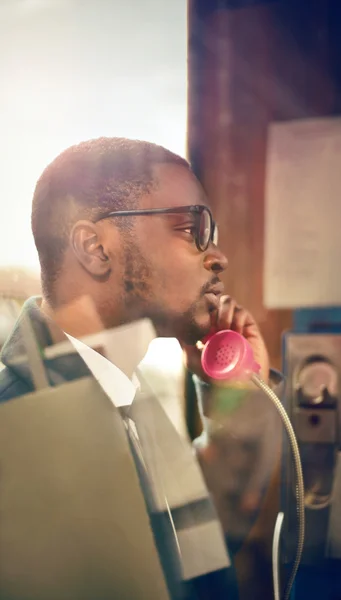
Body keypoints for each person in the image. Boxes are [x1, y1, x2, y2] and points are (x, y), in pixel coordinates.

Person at [0, 138, 282, 599]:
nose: (217, 256)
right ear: (95, 248)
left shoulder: (116, 386)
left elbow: (187, 557)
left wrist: (238, 399)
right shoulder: (21, 435)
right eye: (192, 228)